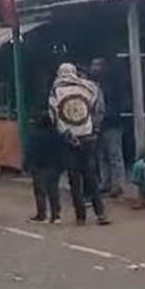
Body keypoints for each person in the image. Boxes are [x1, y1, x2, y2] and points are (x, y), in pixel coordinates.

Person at [48, 63, 111, 226]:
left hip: (69, 140)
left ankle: (80, 216)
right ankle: (101, 213)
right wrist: (94, 129)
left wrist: (67, 134)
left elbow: (54, 116)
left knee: (74, 179)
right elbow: (99, 110)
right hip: (88, 137)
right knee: (91, 176)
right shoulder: (89, 87)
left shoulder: (56, 90)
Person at [88, 57, 126, 197]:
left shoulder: (111, 84)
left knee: (114, 155)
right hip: (99, 124)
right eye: (93, 65)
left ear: (104, 67)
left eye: (98, 65)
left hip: (112, 123)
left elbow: (116, 103)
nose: (94, 68)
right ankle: (106, 183)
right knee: (102, 155)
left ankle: (118, 185)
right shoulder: (93, 84)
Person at [26, 113, 63, 224]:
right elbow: (62, 151)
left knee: (40, 191)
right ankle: (56, 215)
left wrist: (27, 165)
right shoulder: (56, 134)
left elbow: (30, 152)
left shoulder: (35, 135)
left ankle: (42, 215)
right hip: (54, 167)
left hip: (39, 167)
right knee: (53, 191)